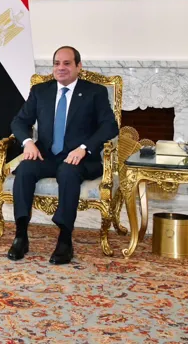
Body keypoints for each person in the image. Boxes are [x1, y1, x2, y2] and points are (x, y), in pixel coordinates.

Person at [6, 46, 118, 265]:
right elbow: (19, 121)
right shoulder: (41, 91)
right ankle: (21, 235)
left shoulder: (94, 92)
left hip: (79, 158)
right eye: (57, 63)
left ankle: (65, 239)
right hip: (47, 155)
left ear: (78, 66)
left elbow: (109, 126)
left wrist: (84, 148)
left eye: (67, 63)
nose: (61, 68)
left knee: (68, 172)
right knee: (26, 168)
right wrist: (28, 143)